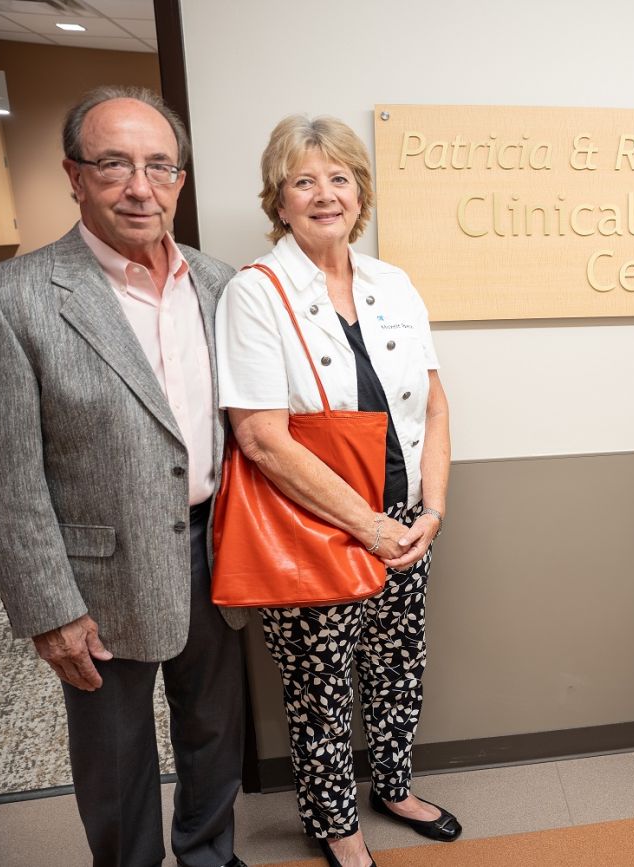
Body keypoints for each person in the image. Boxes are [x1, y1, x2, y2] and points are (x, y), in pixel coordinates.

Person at [0, 87, 248, 867]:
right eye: (114, 164)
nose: (140, 186)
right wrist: (49, 609)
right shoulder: (9, 299)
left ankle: (209, 854)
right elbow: (3, 482)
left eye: (159, 166)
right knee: (118, 757)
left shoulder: (221, 286)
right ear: (74, 175)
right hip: (97, 573)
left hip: (213, 550)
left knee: (213, 731)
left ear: (180, 180)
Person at [216, 115, 457, 867]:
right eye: (304, 180)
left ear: (362, 193)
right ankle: (335, 823)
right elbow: (261, 437)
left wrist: (431, 509)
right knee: (319, 687)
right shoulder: (255, 293)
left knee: (396, 664)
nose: (326, 194)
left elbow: (436, 404)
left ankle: (392, 783)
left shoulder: (394, 283)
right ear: (278, 200)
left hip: (405, 522)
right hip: (315, 528)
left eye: (340, 178)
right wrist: (371, 528)